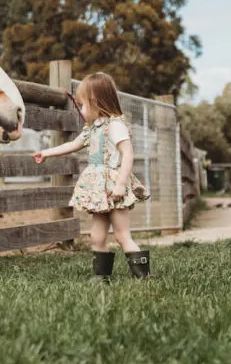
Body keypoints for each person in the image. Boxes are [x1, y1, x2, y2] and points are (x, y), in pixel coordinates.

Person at [33, 72, 150, 282]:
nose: (81, 110)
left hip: (114, 188)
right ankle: (101, 276)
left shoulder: (115, 126)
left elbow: (128, 153)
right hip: (99, 191)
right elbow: (72, 145)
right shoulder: (92, 129)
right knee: (97, 236)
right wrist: (47, 153)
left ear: (96, 101)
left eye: (83, 105)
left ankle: (143, 276)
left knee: (123, 236)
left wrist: (121, 185)